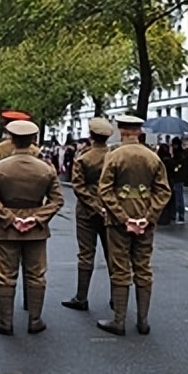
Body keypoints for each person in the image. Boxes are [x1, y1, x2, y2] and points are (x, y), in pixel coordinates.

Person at [0, 120, 64, 335]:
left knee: (6, 275)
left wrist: (10, 219)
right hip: (36, 229)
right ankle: (35, 320)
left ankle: (5, 321)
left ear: (11, 138)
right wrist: (36, 218)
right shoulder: (46, 169)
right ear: (32, 141)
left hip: (6, 229)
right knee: (36, 275)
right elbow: (56, 200)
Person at [97, 115, 171, 336]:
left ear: (121, 130)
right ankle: (143, 320)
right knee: (143, 268)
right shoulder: (153, 157)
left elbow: (105, 189)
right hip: (145, 220)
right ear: (139, 131)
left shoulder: (114, 155)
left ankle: (118, 320)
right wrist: (149, 217)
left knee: (120, 269)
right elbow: (163, 191)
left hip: (119, 221)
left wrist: (122, 217)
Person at [0, 110, 38, 311]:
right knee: (33, 261)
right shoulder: (35, 151)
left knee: (5, 261)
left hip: (4, 207)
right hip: (32, 208)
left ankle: (3, 298)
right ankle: (30, 301)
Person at [62, 118, 113, 311]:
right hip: (111, 209)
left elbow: (79, 187)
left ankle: (81, 297)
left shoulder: (83, 158)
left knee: (86, 253)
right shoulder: (114, 156)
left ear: (91, 136)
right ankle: (117, 298)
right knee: (113, 255)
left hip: (86, 211)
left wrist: (93, 205)